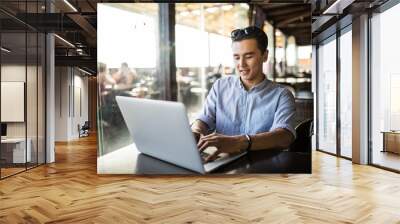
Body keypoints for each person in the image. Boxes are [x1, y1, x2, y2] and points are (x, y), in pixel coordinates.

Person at [191, 26, 296, 162]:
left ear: (265, 55)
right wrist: (196, 131)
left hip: (261, 168)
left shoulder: (282, 95)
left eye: (249, 56)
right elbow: (204, 119)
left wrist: (241, 142)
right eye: (236, 57)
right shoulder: (220, 86)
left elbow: (284, 136)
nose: (241, 64)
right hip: (220, 162)